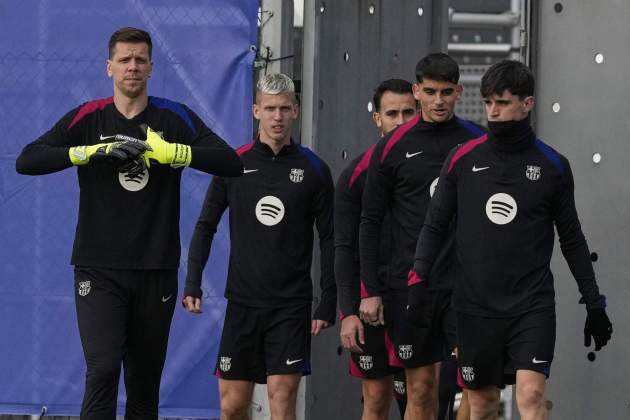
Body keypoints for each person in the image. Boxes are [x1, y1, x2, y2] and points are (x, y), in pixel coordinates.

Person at [15, 27, 243, 419]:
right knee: (102, 370)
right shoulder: (89, 117)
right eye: (124, 60)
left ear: (151, 68)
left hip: (155, 269)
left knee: (143, 383)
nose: (132, 67)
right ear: (109, 67)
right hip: (99, 268)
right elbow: (27, 160)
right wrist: (86, 152)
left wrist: (178, 153)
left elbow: (231, 162)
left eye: (140, 60)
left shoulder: (173, 117)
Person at [411, 59, 613, 420]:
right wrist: (419, 283)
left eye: (502, 103)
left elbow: (572, 238)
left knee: (532, 395)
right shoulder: (462, 158)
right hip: (474, 306)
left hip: (530, 305)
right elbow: (434, 225)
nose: (493, 111)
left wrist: (593, 302)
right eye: (488, 102)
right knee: (484, 404)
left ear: (527, 103)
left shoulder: (552, 166)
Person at [184, 73, 336, 420]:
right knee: (232, 406)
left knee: (282, 403)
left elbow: (330, 239)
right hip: (242, 303)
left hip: (290, 306)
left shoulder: (314, 169)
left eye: (284, 108)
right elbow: (205, 225)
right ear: (256, 110)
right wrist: (193, 281)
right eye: (270, 108)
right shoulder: (233, 163)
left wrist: (329, 300)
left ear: (296, 110)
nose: (277, 117)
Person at [359, 53, 485, 420]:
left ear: (459, 92)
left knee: (478, 390)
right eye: (430, 92)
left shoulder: (478, 141)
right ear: (416, 92)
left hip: (466, 288)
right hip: (411, 286)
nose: (438, 100)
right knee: (421, 389)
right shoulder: (391, 148)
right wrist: (371, 289)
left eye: (447, 92)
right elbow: (370, 223)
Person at [336, 78, 417, 420]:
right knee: (377, 396)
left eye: (408, 113)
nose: (401, 122)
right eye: (392, 113)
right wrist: (348, 312)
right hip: (373, 304)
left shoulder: (439, 166)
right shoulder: (355, 174)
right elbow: (343, 246)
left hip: (423, 299)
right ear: (377, 119)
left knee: (423, 394)